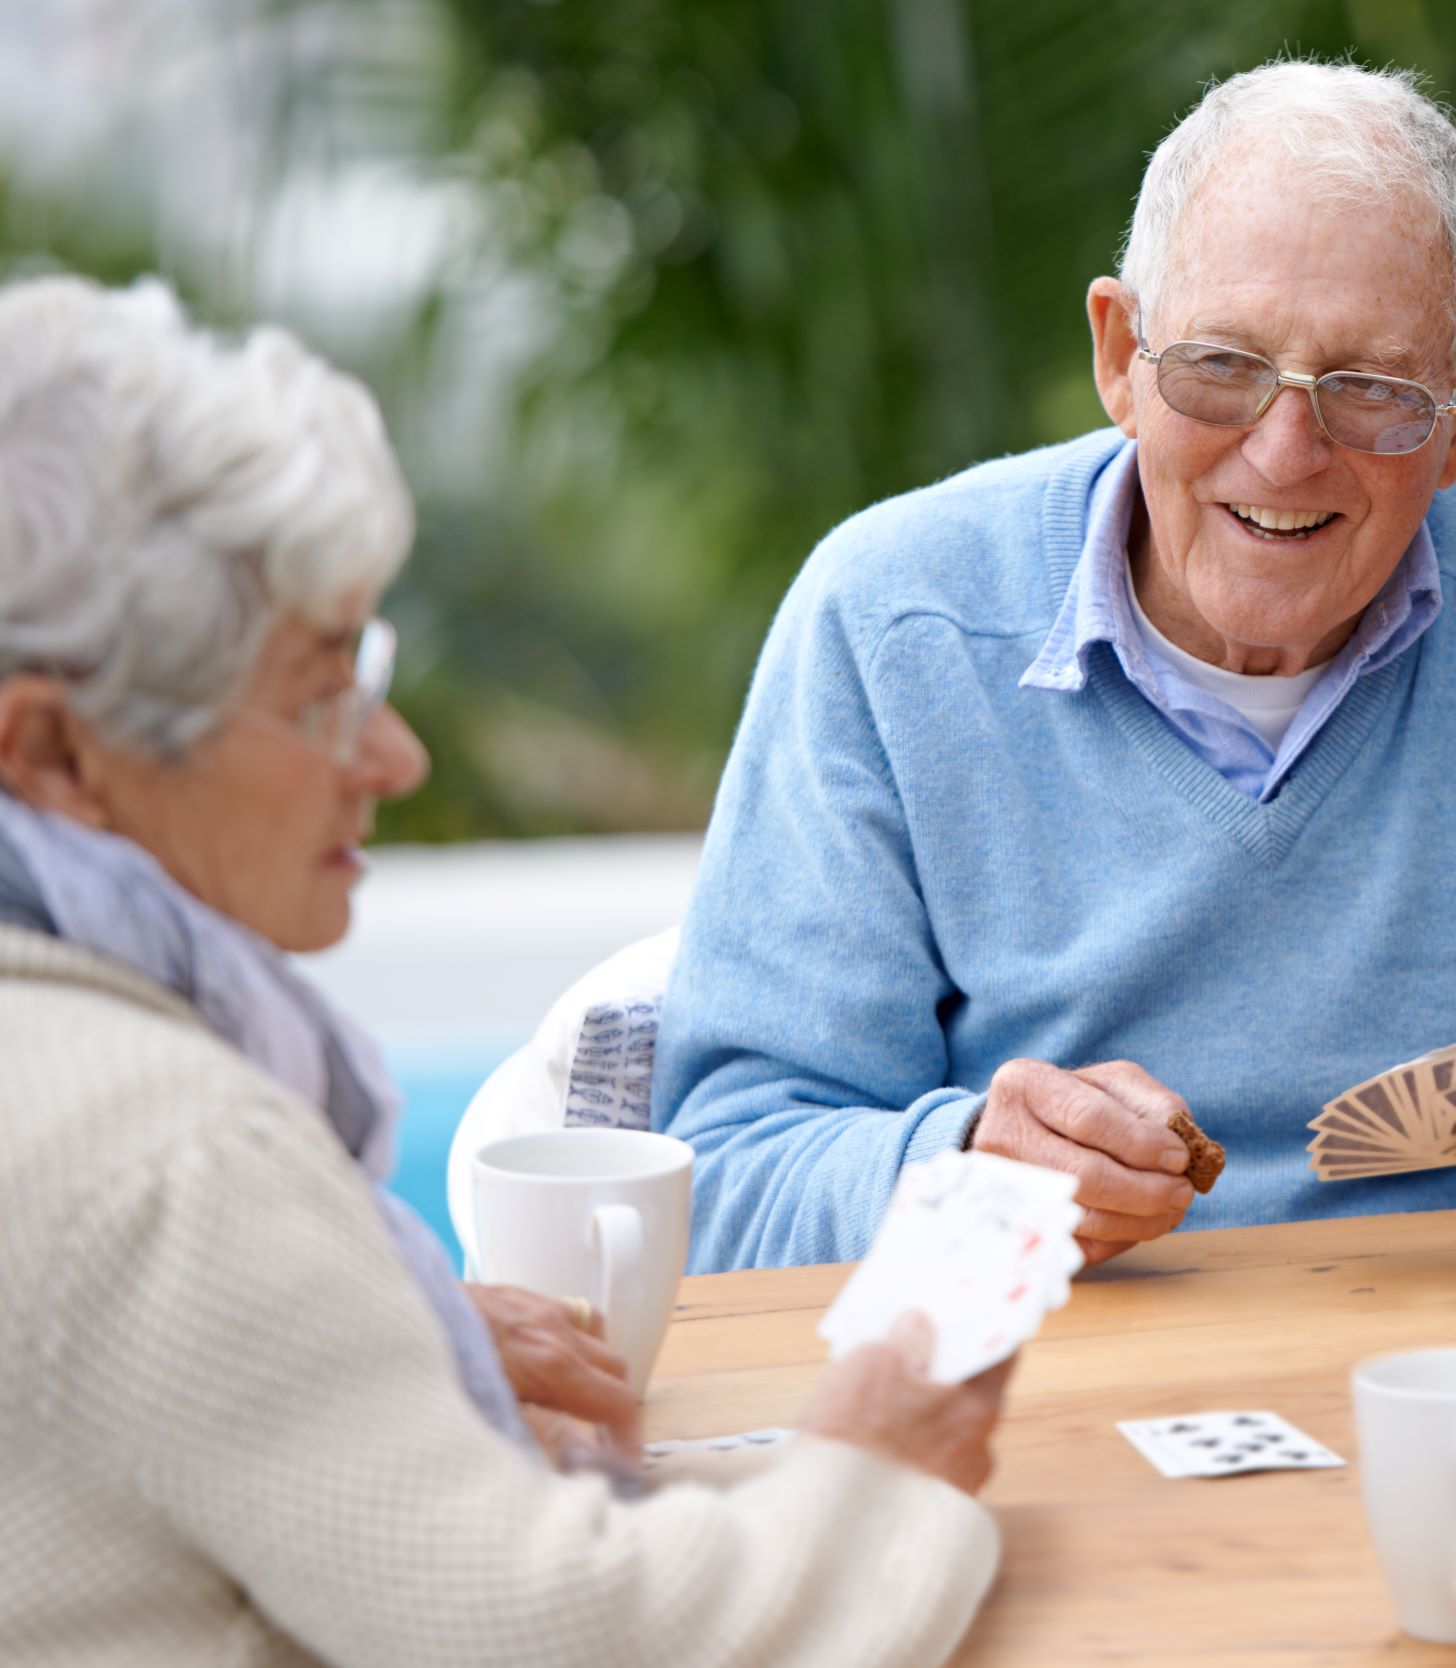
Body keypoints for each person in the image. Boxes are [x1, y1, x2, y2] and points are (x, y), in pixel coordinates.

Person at [653, 58, 1456, 1273]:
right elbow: (721, 1166)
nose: (1286, 454)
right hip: (1045, 1380)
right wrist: (953, 1174)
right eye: (1222, 368)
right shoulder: (893, 622)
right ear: (1121, 358)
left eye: (1373, 389)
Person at [0, 275, 1010, 1667]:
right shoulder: (175, 1162)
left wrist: (385, 1345)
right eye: (315, 696)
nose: (395, 758)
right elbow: (568, 1642)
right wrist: (876, 1468)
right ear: (52, 754)